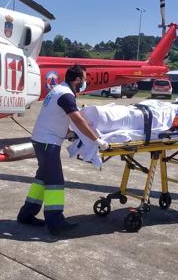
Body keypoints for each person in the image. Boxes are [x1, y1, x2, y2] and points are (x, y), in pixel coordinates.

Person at [17, 65, 110, 235]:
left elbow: (55, 117)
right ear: (77, 80)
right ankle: (55, 222)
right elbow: (79, 120)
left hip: (41, 140)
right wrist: (96, 140)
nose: (85, 81)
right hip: (47, 143)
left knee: (42, 180)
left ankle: (26, 214)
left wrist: (68, 133)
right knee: (55, 183)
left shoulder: (58, 90)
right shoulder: (66, 95)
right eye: (84, 78)